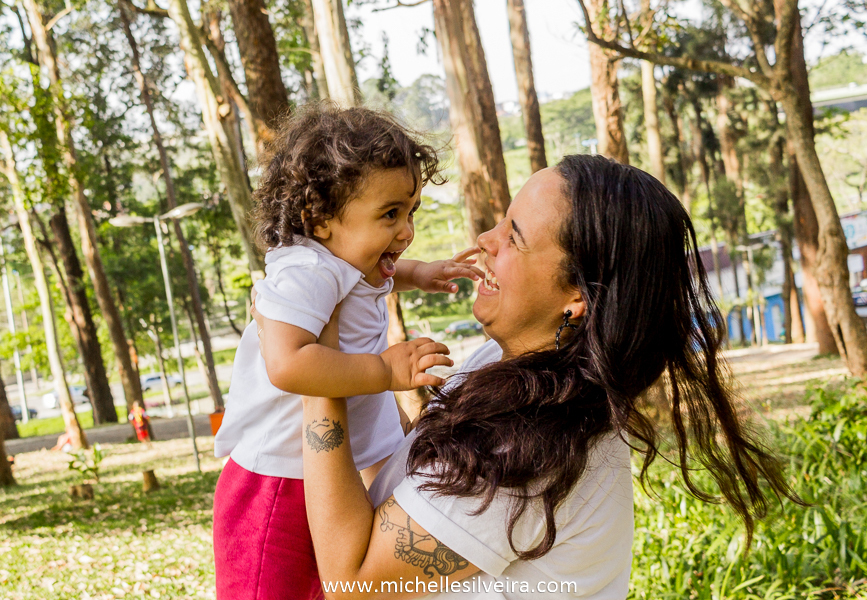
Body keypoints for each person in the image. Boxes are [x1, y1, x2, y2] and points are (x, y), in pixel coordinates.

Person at [278, 155, 797, 599]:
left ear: (578, 299)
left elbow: (354, 584)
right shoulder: (509, 374)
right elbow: (387, 494)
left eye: (514, 237)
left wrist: (319, 372)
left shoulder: (527, 446)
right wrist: (361, 364)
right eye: (501, 222)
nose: (485, 239)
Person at [213, 104, 480, 600]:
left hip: (316, 472)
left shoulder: (345, 258)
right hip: (274, 481)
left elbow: (378, 274)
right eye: (390, 214)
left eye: (410, 212)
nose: (406, 231)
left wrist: (420, 273)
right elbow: (288, 364)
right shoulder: (305, 272)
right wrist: (382, 369)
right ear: (319, 221)